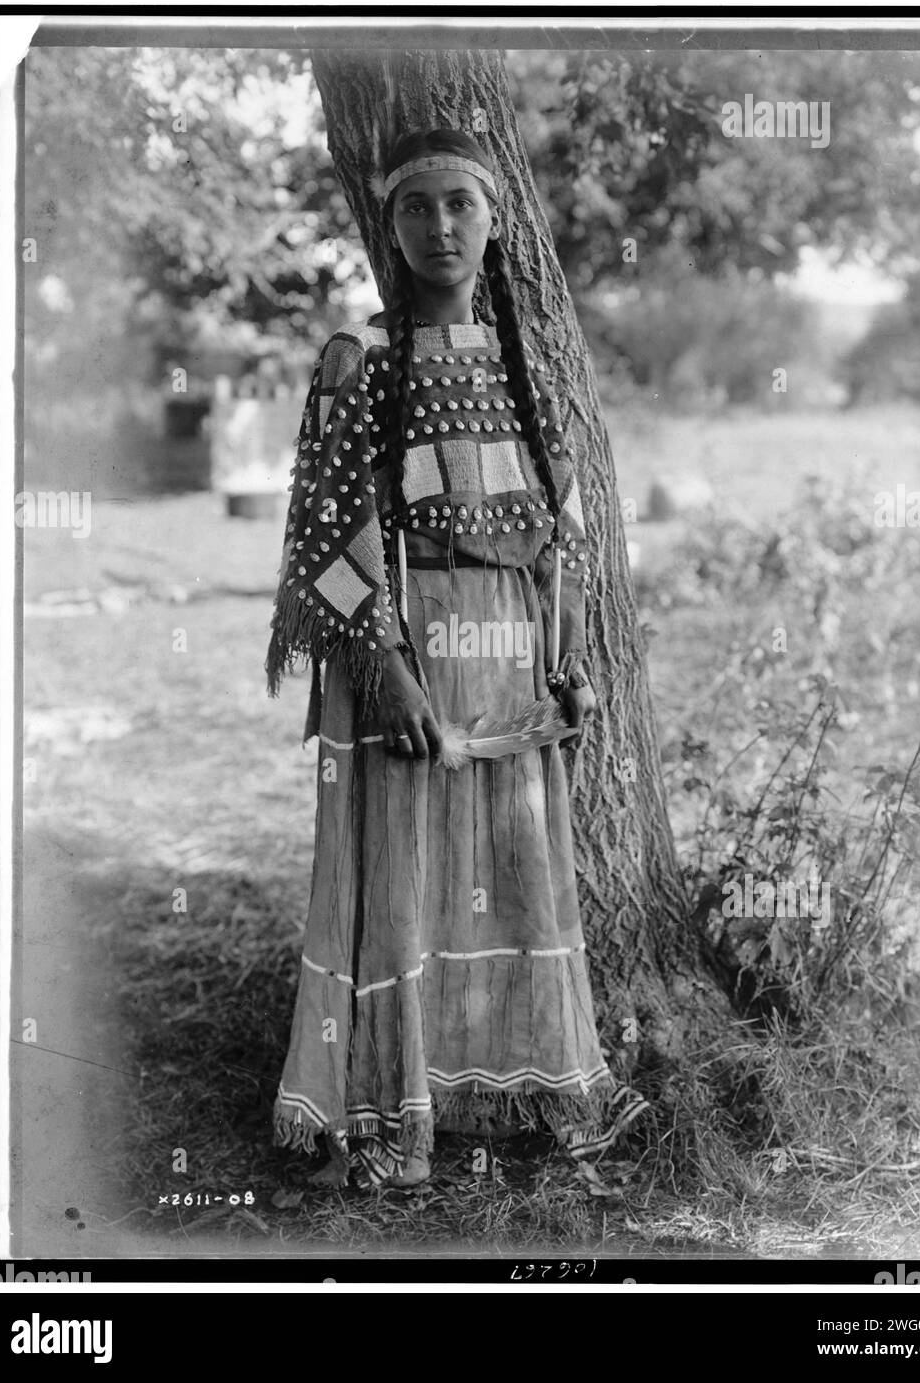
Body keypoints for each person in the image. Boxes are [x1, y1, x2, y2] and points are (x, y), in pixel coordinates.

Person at [266, 127, 648, 1189]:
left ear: (495, 221)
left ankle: (532, 1085)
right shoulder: (360, 364)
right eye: (417, 206)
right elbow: (328, 550)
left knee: (515, 866)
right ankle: (402, 1118)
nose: (441, 225)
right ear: (389, 228)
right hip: (409, 649)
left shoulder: (527, 380)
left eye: (460, 205)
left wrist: (570, 665)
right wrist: (391, 678)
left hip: (511, 659)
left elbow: (559, 543)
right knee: (407, 872)